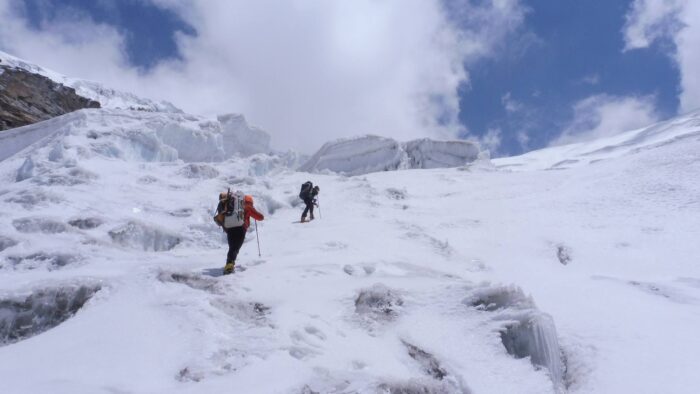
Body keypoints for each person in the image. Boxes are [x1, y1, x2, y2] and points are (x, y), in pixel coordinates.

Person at [215, 190, 264, 274]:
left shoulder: (235, 205)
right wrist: (254, 210)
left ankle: (230, 263)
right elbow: (260, 217)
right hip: (240, 229)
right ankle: (229, 265)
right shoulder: (247, 206)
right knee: (235, 248)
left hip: (229, 228)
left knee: (232, 247)